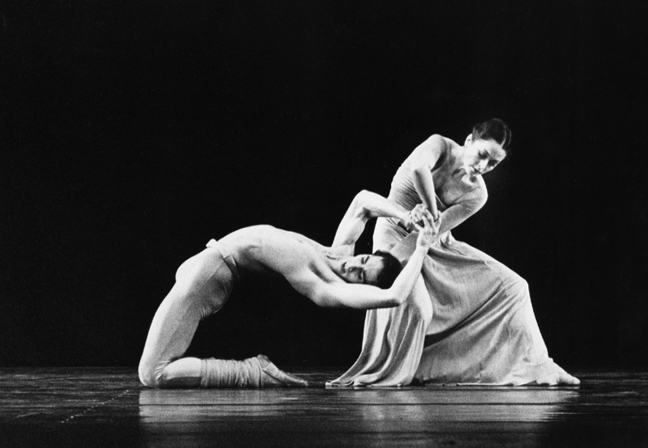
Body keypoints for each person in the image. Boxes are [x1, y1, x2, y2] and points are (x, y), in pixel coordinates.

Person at [328, 118, 580, 387]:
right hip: (393, 234)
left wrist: (428, 225)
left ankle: (541, 367)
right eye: (482, 155)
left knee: (515, 286)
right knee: (418, 308)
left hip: (432, 243)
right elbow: (418, 169)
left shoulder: (477, 194)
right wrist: (426, 212)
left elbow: (434, 231)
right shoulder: (439, 145)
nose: (483, 166)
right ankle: (394, 370)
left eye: (493, 164)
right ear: (469, 141)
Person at [138, 190, 438, 389]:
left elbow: (394, 296)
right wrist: (404, 216)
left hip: (211, 272)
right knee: (156, 367)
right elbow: (362, 202)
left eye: (360, 275)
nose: (352, 266)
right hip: (207, 262)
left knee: (153, 373)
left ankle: (253, 372)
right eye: (363, 260)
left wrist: (422, 248)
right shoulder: (339, 250)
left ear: (357, 287)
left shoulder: (326, 286)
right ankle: (254, 372)